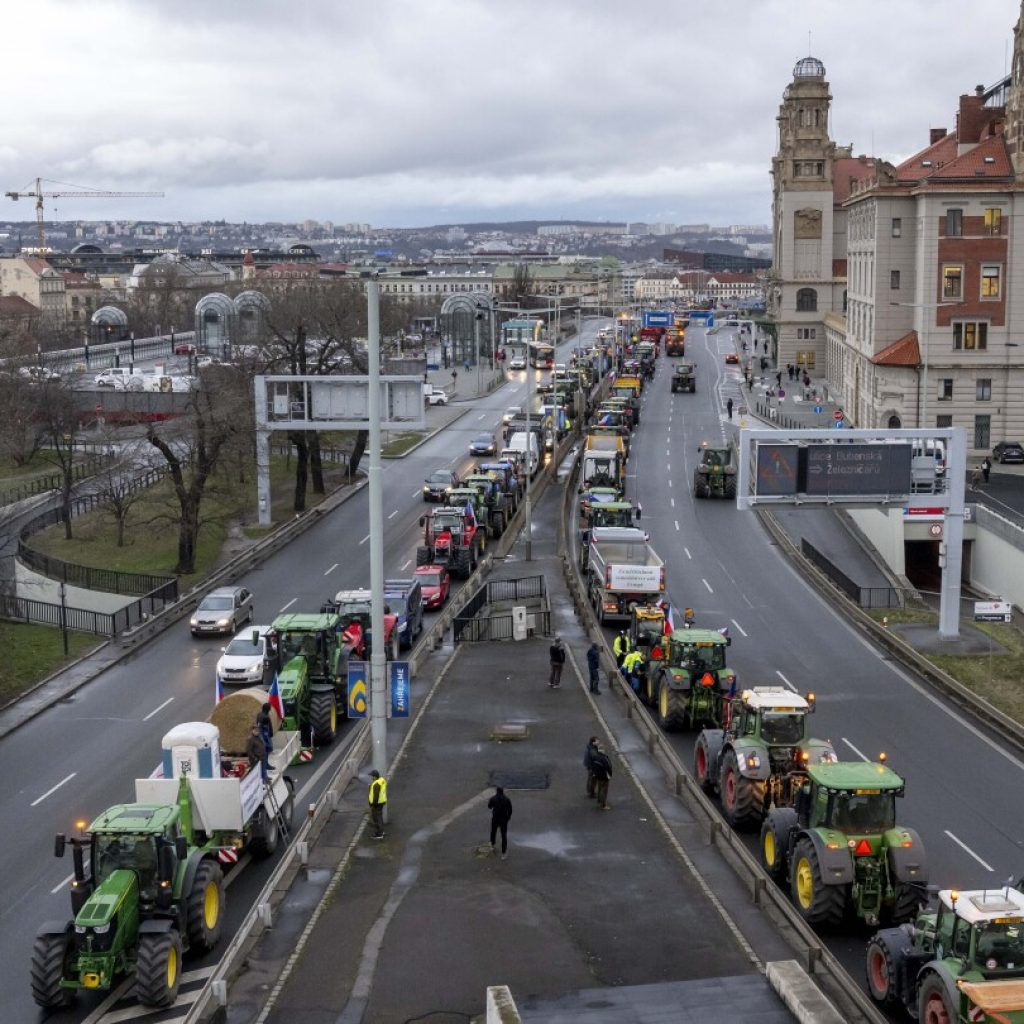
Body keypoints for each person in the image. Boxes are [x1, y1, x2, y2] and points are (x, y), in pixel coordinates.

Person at [488, 786, 513, 859]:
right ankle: (503, 853)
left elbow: (489, 806)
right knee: (503, 836)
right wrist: (508, 818)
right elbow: (510, 810)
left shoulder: (493, 798)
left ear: (497, 791)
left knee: (493, 832)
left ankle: (492, 845)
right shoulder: (507, 799)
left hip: (495, 818)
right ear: (503, 791)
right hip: (503, 820)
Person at [590, 743, 613, 810]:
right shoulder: (604, 758)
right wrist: (610, 775)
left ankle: (599, 799)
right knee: (604, 790)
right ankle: (603, 805)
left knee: (600, 788)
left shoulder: (595, 757)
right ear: (603, 750)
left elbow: (593, 766)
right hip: (604, 776)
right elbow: (608, 767)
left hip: (598, 776)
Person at [368, 769, 387, 839]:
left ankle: (379, 833)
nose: (371, 777)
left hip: (376, 803)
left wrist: (372, 804)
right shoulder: (381, 780)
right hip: (381, 802)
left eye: (372, 776)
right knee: (379, 817)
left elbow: (375, 796)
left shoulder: (376, 784)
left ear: (375, 777)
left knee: (376, 818)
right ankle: (381, 831)